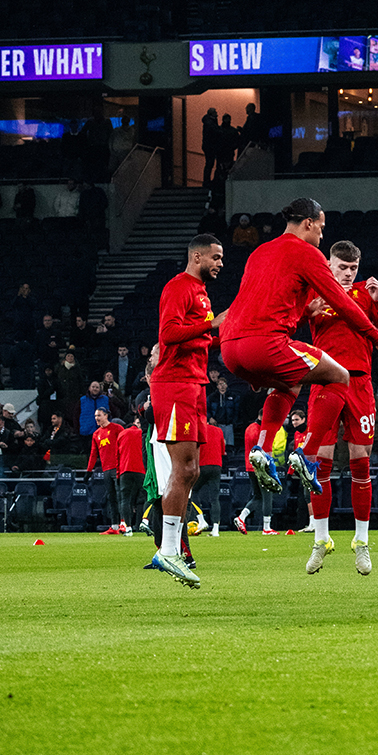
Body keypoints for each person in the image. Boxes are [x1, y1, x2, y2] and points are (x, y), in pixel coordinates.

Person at [219, 198, 378, 498]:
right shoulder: (308, 253)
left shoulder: (259, 252)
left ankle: (262, 447)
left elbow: (248, 303)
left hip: (231, 348)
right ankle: (305, 454)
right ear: (309, 223)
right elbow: (342, 302)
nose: (322, 235)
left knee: (292, 381)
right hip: (266, 342)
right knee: (338, 376)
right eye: (321, 228)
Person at [299, 239, 378, 577]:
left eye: (352, 269)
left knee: (360, 463)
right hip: (325, 380)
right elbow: (296, 321)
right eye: (342, 268)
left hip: (359, 382)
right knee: (321, 463)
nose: (347, 274)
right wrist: (306, 311)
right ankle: (321, 539)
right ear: (329, 265)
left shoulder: (363, 295)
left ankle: (361, 542)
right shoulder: (316, 294)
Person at [146, 234, 227, 587]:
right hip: (175, 384)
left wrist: (230, 330)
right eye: (216, 257)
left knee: (192, 471)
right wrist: (212, 324)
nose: (220, 263)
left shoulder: (201, 293)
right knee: (183, 469)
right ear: (197, 256)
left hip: (194, 385)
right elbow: (170, 333)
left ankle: (172, 549)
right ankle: (166, 550)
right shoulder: (179, 287)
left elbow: (202, 338)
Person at [234, 419, 275, 535]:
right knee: (267, 496)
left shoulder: (249, 428)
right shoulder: (263, 431)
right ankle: (267, 528)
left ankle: (241, 517)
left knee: (258, 496)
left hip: (250, 466)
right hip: (261, 467)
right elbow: (266, 449)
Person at [86, 405, 122, 534]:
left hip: (118, 467)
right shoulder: (96, 434)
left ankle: (124, 523)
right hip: (106, 469)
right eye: (95, 416)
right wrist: (89, 471)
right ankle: (115, 526)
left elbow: (125, 446)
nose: (96, 418)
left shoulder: (117, 429)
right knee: (111, 497)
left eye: (99, 415)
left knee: (120, 496)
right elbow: (93, 454)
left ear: (106, 415)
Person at [193, 421, 226, 537]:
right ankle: (216, 529)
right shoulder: (219, 431)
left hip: (202, 465)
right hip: (216, 465)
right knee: (214, 498)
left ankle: (201, 520)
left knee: (192, 492)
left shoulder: (197, 430)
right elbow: (223, 451)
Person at [116, 414, 146, 534]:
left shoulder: (122, 434)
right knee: (144, 498)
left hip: (125, 470)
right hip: (141, 470)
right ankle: (143, 523)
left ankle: (127, 527)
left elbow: (117, 455)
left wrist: (118, 473)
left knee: (125, 499)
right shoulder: (143, 434)